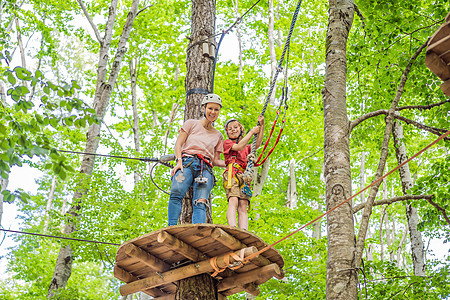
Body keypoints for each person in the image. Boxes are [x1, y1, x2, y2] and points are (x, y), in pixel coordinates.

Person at [167, 93, 226, 226]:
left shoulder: (218, 135)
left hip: (205, 169)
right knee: (176, 192)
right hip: (187, 162)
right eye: (210, 108)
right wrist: (179, 162)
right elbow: (179, 144)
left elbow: (216, 160)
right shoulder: (191, 124)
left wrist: (232, 164)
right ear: (203, 108)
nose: (213, 112)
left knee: (201, 201)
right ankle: (172, 227)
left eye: (216, 110)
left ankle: (198, 230)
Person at [223, 115, 264, 230]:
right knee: (233, 199)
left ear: (240, 129)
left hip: (244, 176)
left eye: (235, 127)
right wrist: (251, 132)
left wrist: (262, 125)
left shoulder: (246, 148)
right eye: (230, 129)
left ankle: (244, 230)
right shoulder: (227, 143)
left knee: (243, 205)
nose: (233, 130)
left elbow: (257, 144)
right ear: (227, 132)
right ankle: (232, 226)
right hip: (232, 174)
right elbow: (238, 146)